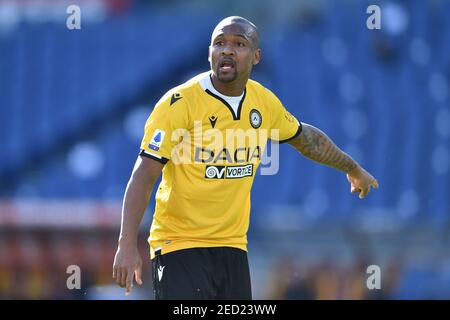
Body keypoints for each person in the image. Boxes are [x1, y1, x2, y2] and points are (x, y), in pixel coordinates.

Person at [112, 16, 378, 299]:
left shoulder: (263, 102)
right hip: (179, 245)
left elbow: (306, 139)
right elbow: (143, 175)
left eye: (239, 43)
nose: (227, 50)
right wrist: (127, 244)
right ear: (209, 53)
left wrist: (352, 167)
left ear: (256, 56)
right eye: (219, 43)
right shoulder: (179, 103)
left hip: (233, 247)